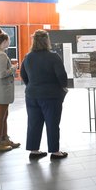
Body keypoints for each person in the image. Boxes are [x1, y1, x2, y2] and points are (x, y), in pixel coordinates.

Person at [20, 30, 69, 160]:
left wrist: (32, 86)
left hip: (31, 95)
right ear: (47, 41)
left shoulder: (28, 57)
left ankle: (34, 150)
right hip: (51, 96)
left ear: (34, 41)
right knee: (52, 123)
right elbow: (62, 76)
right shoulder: (53, 56)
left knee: (33, 123)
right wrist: (63, 88)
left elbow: (23, 75)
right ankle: (54, 151)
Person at [0, 27, 20, 153]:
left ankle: (4, 139)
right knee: (0, 117)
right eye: (8, 40)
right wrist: (14, 68)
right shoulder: (0, 55)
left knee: (4, 116)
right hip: (1, 91)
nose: (9, 42)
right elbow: (2, 74)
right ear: (4, 41)